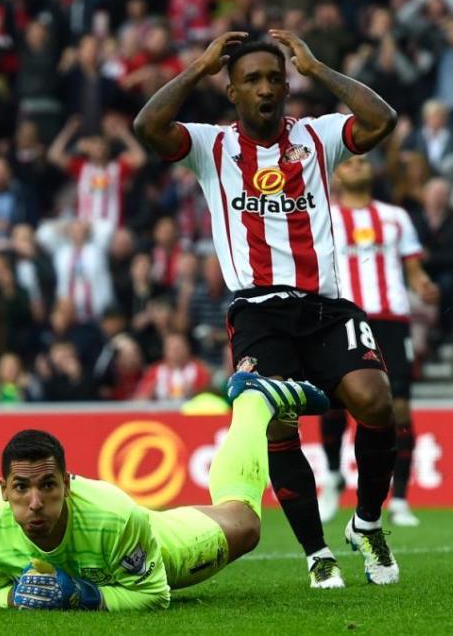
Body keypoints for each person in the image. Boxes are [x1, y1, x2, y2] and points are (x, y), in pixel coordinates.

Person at [133, 30, 401, 589]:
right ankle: (315, 553)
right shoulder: (212, 147)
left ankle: (368, 523)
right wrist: (198, 66)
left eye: (275, 78)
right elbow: (148, 128)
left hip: (325, 306)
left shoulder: (317, 136)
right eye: (251, 79)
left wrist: (321, 69)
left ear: (287, 86)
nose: (266, 88)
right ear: (231, 89)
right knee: (279, 424)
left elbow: (382, 121)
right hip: (258, 311)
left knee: (376, 403)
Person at [0, 372, 330, 610]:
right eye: (22, 489)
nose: (35, 502)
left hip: (145, 550)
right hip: (25, 553)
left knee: (244, 523)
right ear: (3, 491)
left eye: (48, 486)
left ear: (68, 485)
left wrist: (85, 595)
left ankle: (252, 402)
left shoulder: (117, 515)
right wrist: (11, 600)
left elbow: (154, 596)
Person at [321, 156, 439, 527]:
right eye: (348, 161)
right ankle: (332, 478)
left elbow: (414, 270)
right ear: (336, 174)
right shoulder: (324, 217)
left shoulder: (396, 217)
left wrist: (423, 285)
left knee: (399, 408)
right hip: (344, 319)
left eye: (362, 160)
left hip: (391, 321)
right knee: (334, 404)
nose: (356, 163)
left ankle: (400, 498)